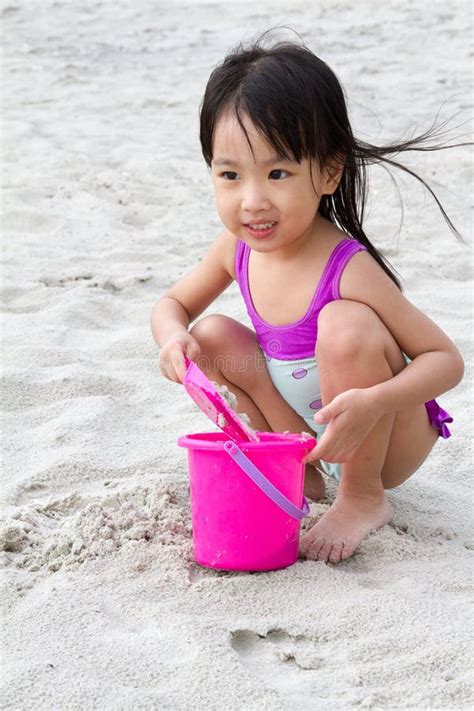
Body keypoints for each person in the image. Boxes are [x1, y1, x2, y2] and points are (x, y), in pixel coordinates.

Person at [151, 33, 466, 564]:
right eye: (230, 175)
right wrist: (172, 339)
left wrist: (376, 402)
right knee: (208, 337)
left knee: (346, 325)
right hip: (309, 432)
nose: (252, 201)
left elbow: (446, 362)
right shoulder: (236, 250)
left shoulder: (347, 267)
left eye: (278, 173)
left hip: (382, 436)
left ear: (328, 171)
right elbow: (172, 306)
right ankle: (295, 469)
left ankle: (362, 497)